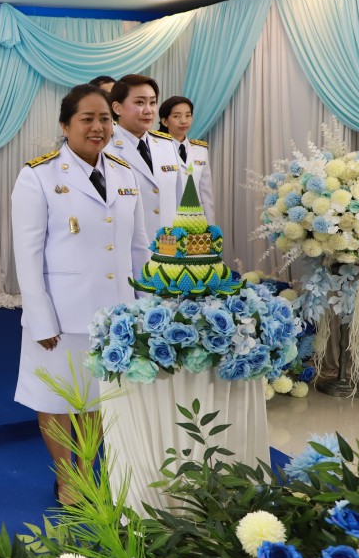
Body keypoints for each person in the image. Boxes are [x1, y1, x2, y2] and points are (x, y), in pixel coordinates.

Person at [11, 84, 149, 503]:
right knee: (56, 397)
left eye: (104, 119)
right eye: (87, 119)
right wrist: (40, 318)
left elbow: (139, 247)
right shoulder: (39, 176)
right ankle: (66, 477)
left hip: (115, 314)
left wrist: (144, 308)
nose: (97, 127)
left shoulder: (124, 173)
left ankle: (87, 470)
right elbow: (27, 255)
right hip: (62, 313)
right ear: (65, 125)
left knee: (97, 396)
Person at [105, 74, 181, 239]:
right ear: (117, 108)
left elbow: (180, 201)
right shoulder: (104, 148)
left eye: (152, 103)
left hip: (168, 247)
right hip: (126, 248)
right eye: (140, 103)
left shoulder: (167, 145)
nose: (148, 110)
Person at [159, 95, 214, 223]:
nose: (184, 121)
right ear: (165, 121)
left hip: (195, 222)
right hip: (166, 221)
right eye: (176, 116)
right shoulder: (156, 149)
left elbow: (206, 194)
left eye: (188, 115)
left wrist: (210, 227)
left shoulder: (200, 150)